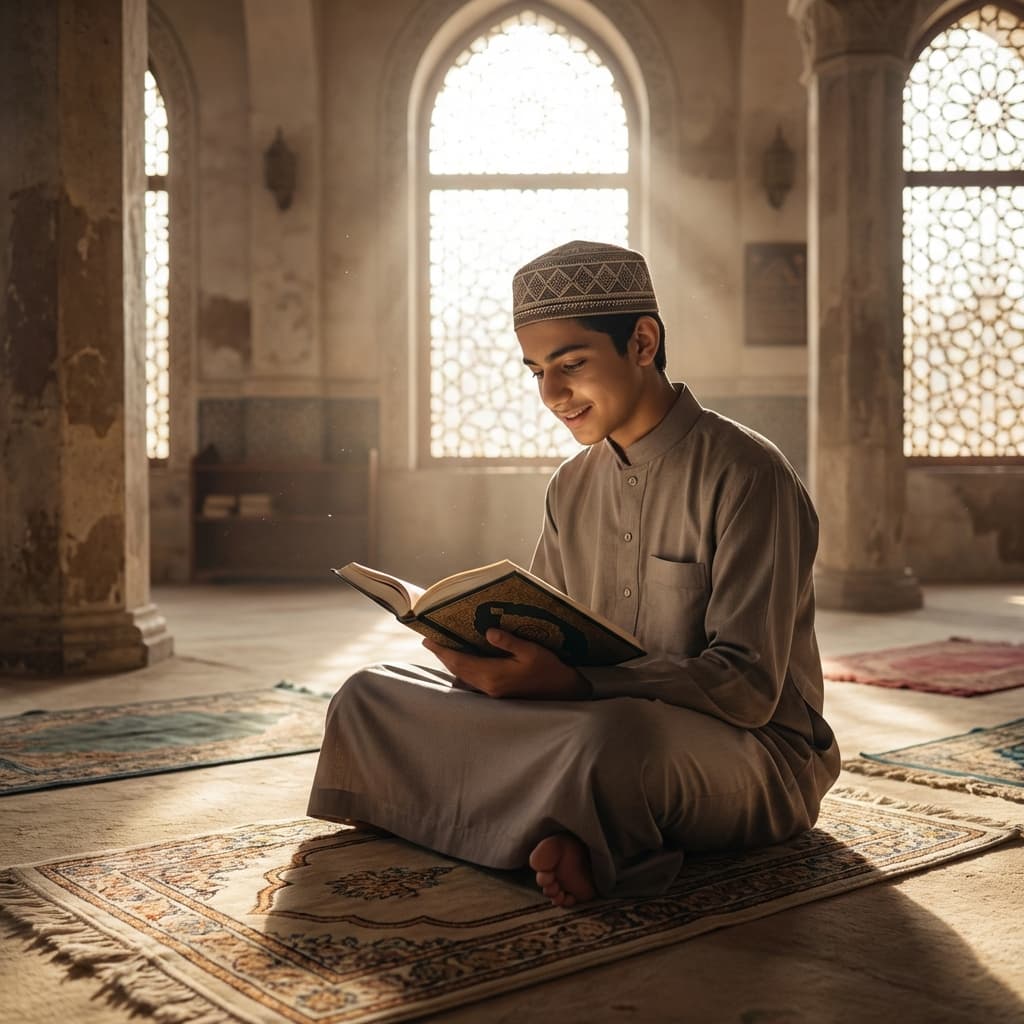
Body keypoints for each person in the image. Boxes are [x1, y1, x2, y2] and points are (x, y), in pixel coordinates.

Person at [308, 239, 841, 908]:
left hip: (752, 753)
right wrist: (488, 660)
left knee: (614, 742)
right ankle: (566, 830)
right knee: (370, 695)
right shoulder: (570, 485)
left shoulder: (747, 474)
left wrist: (579, 683)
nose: (552, 394)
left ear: (642, 342)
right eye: (535, 371)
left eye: (571, 364)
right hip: (588, 718)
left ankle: (529, 824)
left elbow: (747, 689)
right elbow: (552, 637)